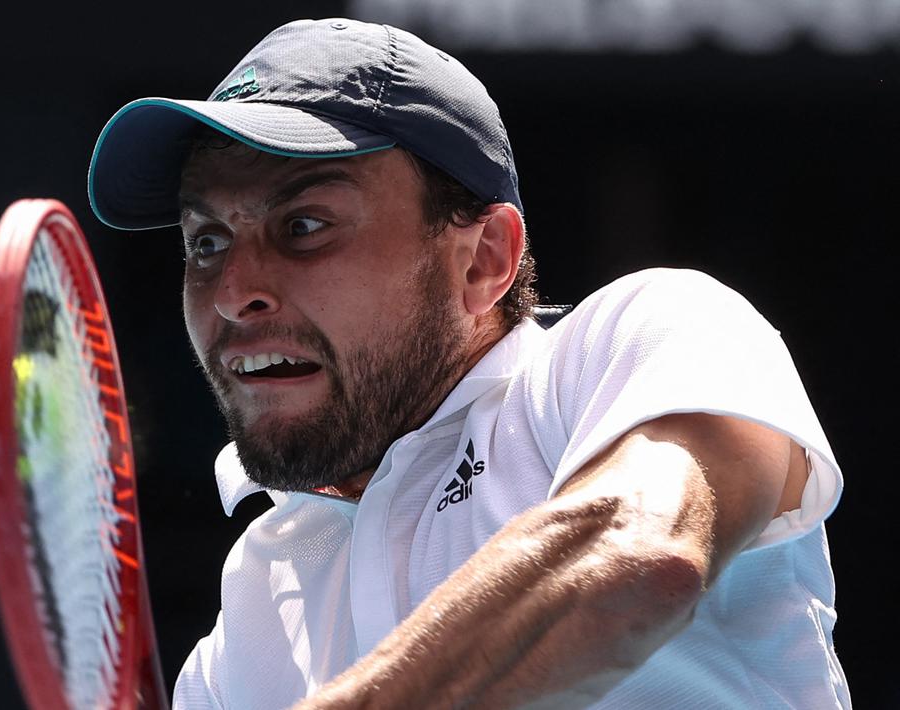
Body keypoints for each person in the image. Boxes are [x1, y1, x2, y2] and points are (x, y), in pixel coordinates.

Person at [88, 17, 849, 709]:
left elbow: (638, 558)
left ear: (483, 260)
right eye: (206, 241)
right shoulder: (250, 618)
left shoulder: (649, 333)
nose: (232, 293)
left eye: (305, 225)